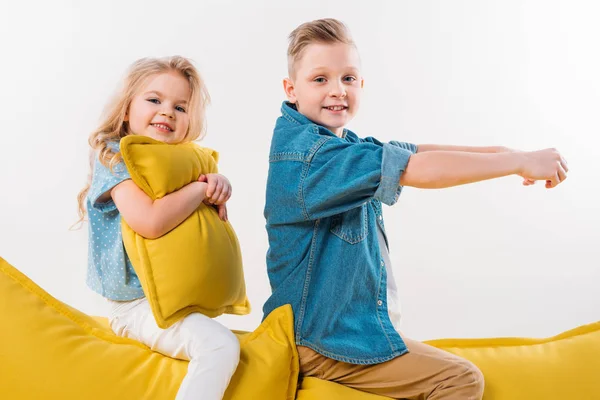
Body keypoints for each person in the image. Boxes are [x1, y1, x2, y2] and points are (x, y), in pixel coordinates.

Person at [262, 18, 568, 399]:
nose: (337, 91)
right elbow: (413, 168)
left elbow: (409, 151)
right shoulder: (312, 159)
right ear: (291, 89)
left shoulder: (339, 146)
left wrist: (507, 153)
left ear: (361, 84)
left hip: (339, 331)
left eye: (348, 78)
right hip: (321, 342)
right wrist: (516, 164)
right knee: (459, 379)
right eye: (320, 79)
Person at [76, 56, 239, 400]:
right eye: (154, 100)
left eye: (180, 107)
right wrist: (199, 190)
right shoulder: (115, 156)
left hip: (174, 298)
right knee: (219, 347)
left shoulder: (179, 160)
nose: (167, 112)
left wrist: (216, 181)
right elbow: (149, 221)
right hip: (135, 306)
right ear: (125, 110)